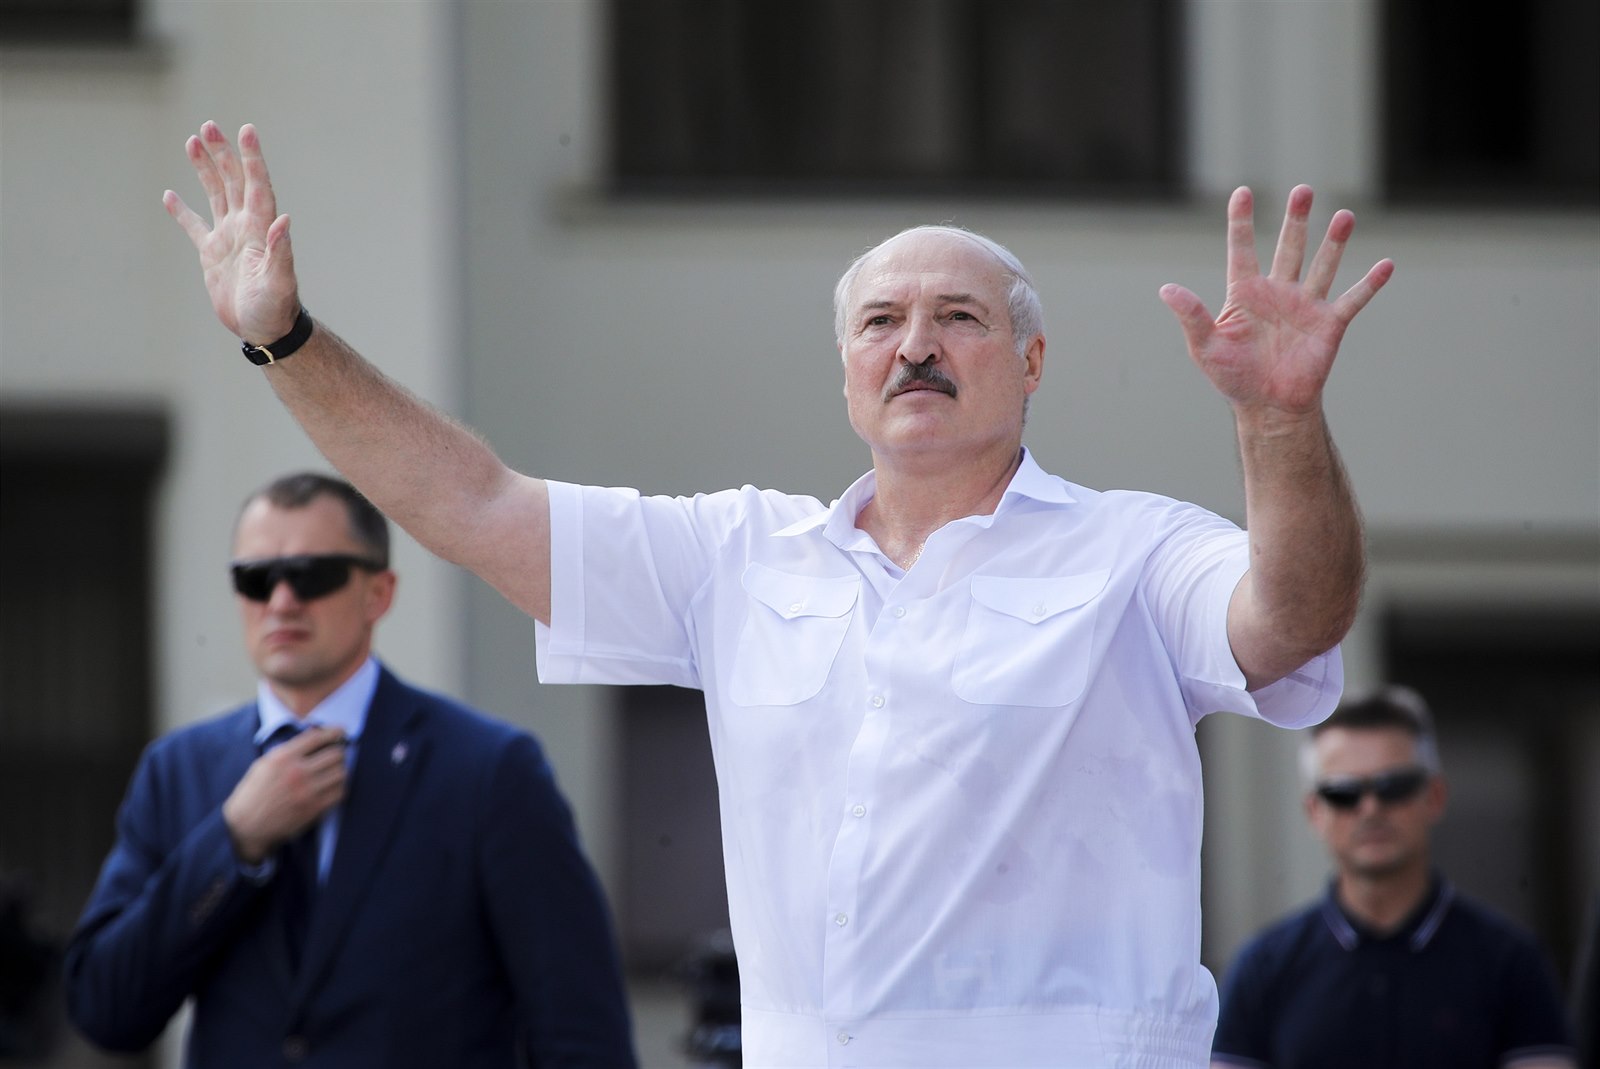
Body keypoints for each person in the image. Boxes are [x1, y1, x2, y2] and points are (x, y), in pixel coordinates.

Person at [163, 120, 1393, 1068]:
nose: (915, 344)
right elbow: (475, 504)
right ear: (846, 373)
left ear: (1029, 361)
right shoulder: (739, 558)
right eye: (881, 322)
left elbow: (1294, 617)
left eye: (958, 317)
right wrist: (285, 339)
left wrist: (1279, 420)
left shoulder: (1132, 551)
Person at [64, 472, 637, 1068]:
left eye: (313, 574)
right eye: (256, 579)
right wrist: (232, 843)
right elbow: (106, 1009)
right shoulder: (178, 769)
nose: (281, 601)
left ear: (378, 593)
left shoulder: (489, 771)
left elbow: (581, 1032)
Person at [1210, 686, 1577, 1069]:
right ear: (1315, 812)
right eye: (1343, 792)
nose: (1371, 808)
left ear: (1435, 796)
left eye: (1394, 786)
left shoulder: (1512, 962)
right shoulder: (1262, 969)